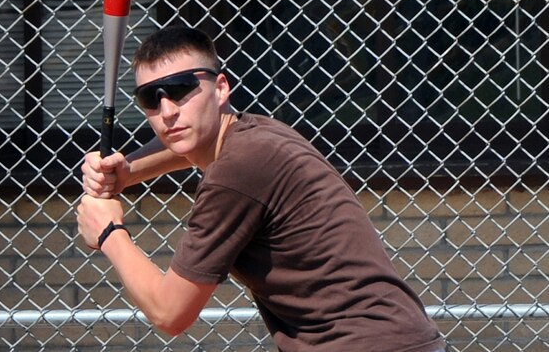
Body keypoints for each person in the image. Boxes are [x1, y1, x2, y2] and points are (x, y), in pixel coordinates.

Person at [77, 25, 445, 352]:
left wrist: (109, 232)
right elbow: (189, 143)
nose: (168, 110)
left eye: (182, 89)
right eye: (150, 98)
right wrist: (126, 171)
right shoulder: (257, 133)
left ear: (221, 88)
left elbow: (170, 314)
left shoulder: (236, 172)